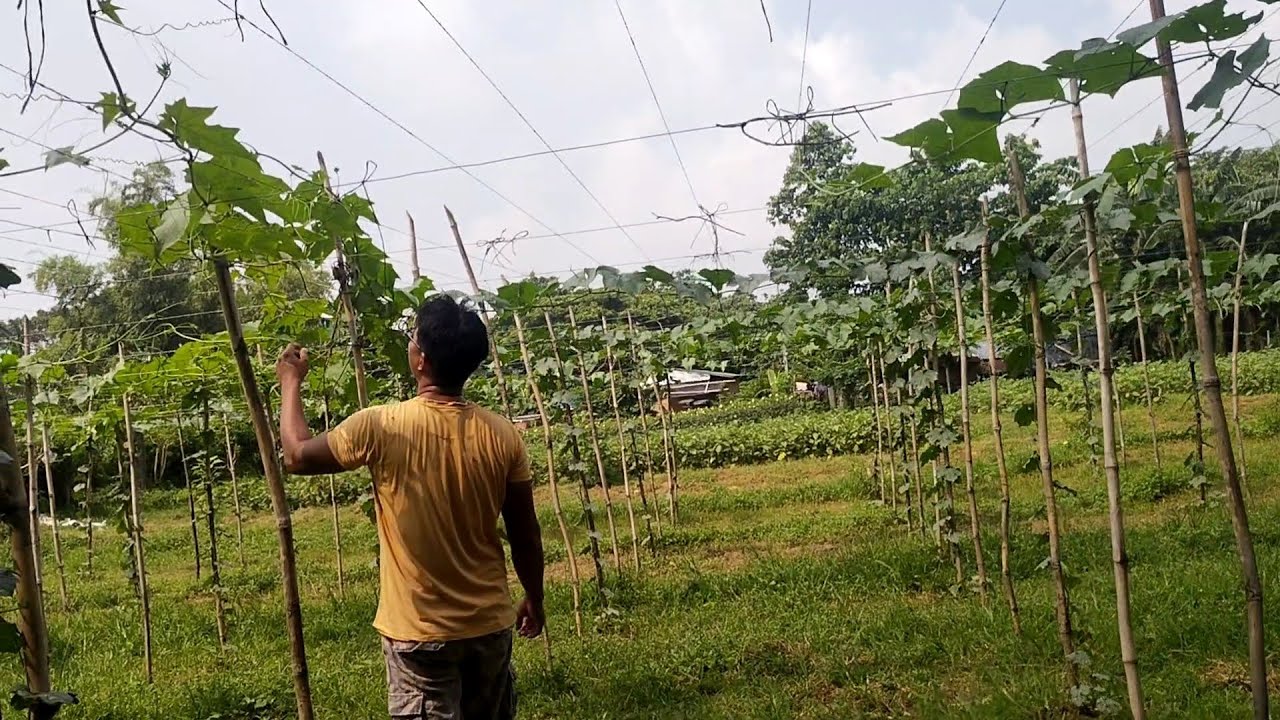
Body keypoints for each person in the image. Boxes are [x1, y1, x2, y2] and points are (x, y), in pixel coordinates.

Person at [275, 294, 545, 720]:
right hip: (489, 626)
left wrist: (290, 382)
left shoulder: (381, 425)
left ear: (421, 361)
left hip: (419, 634)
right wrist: (535, 596)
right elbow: (525, 534)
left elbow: (296, 456)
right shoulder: (503, 434)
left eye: (413, 338)